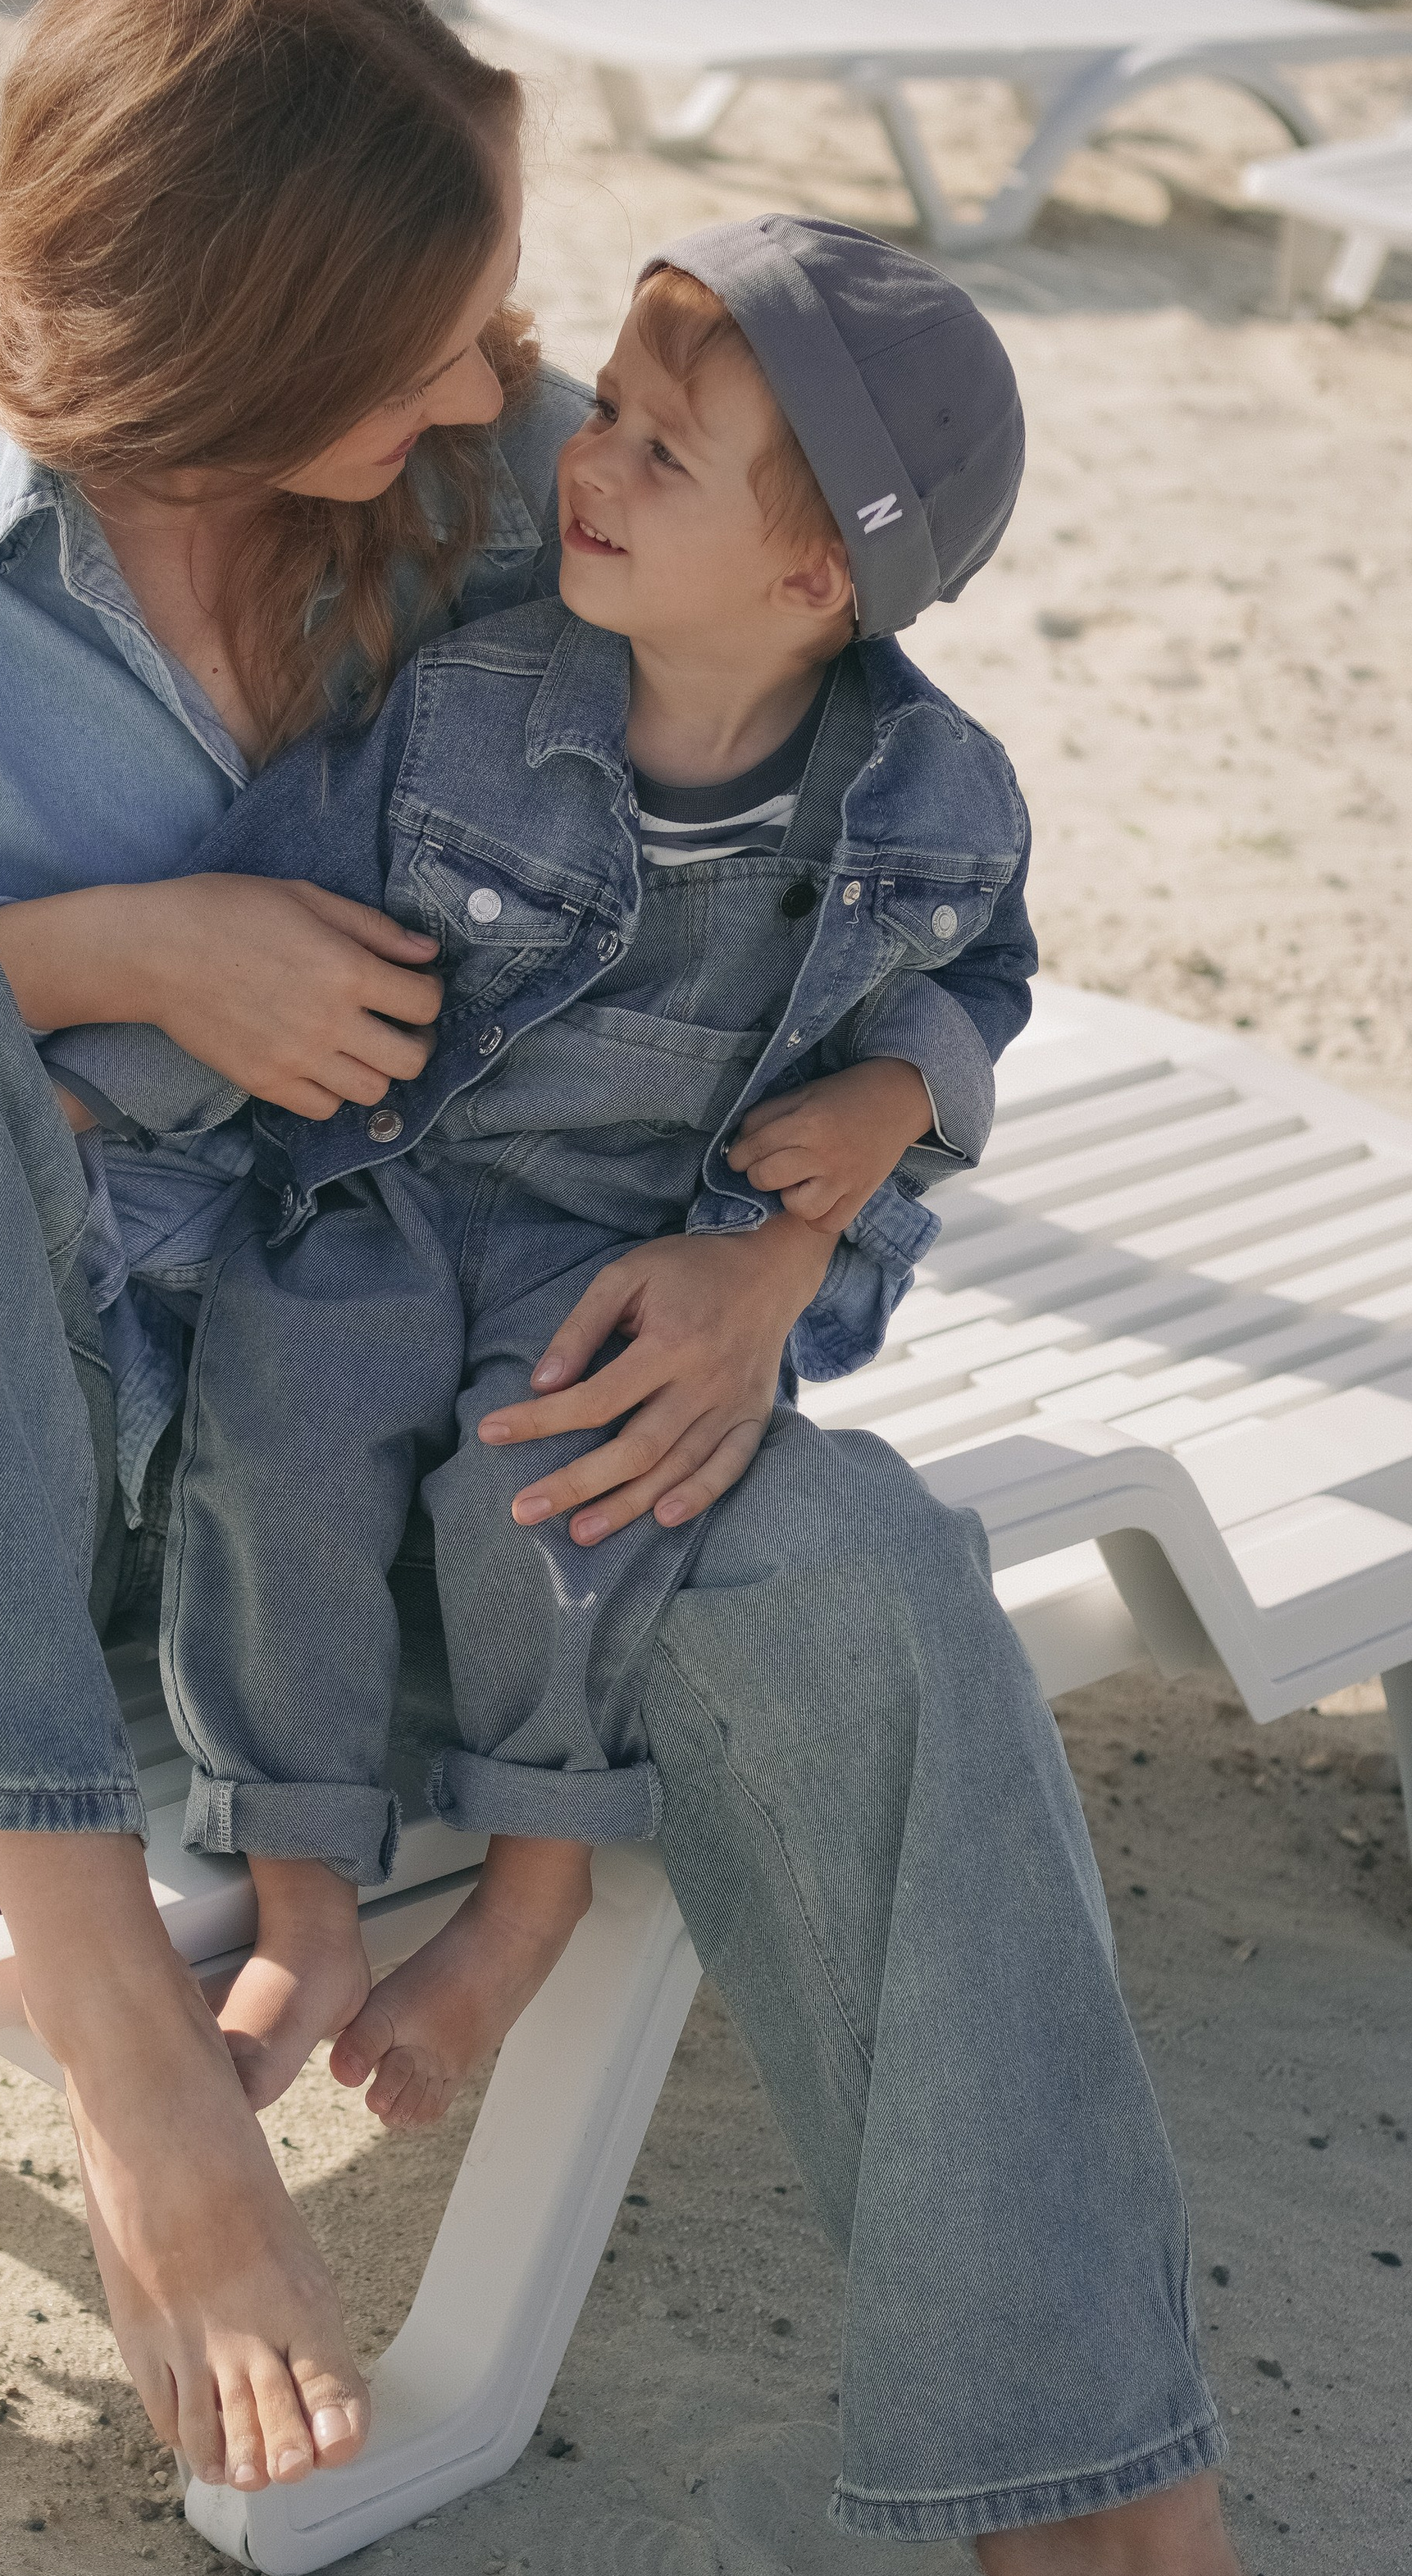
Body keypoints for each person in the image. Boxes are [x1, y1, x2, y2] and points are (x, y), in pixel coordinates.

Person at [0, 0, 1405, 2576]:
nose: (496, 387)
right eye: (430, 336)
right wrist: (120, 951)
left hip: (354, 1467)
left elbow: (863, 878)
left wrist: (776, 1255)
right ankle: (138, 2075)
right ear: (223, 327)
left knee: (865, 1568)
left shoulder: (518, 477)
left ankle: (1119, 2517)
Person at [52, 217, 1034, 2128]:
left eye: (661, 453)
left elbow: (977, 977)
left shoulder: (931, 797)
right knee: (275, 1450)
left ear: (812, 574)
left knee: (552, 1499)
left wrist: (887, 1104)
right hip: (380, 1190)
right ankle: (302, 1894)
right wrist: (84, 1087)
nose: (584, 456)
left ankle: (527, 1891)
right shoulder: (462, 706)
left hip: (637, 1241)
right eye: (612, 412)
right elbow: (264, 911)